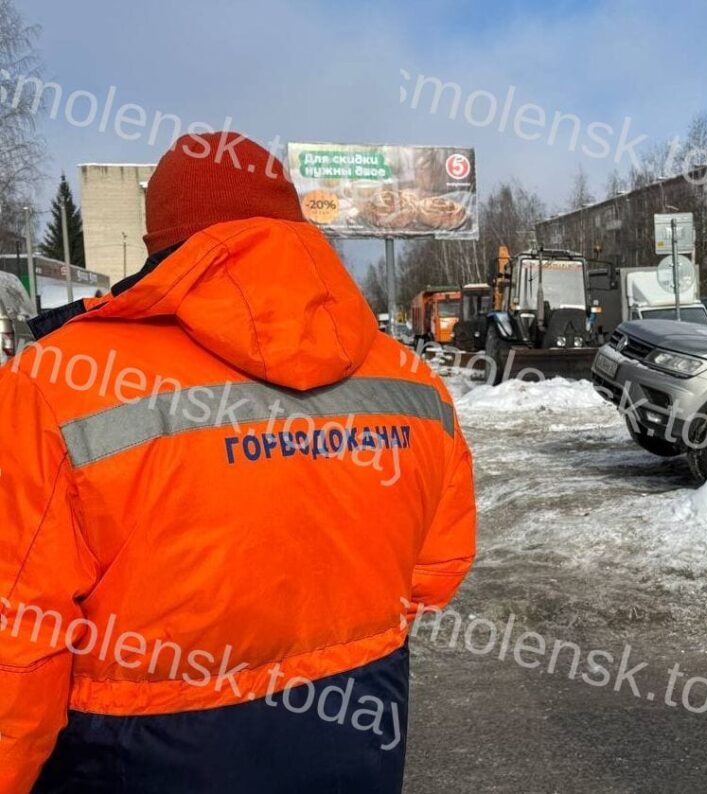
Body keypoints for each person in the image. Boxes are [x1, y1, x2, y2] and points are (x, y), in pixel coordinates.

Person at [0, 132, 476, 792]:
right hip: (359, 728)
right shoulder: (414, 382)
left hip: (141, 750)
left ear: (156, 246)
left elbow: (19, 640)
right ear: (293, 224)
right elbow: (437, 568)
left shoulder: (57, 382)